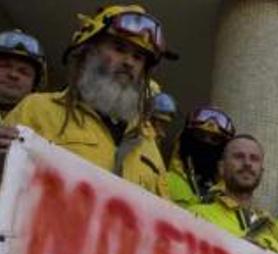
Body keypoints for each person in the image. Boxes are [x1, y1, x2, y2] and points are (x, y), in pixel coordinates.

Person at [1, 5, 175, 197]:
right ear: (89, 52)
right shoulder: (38, 109)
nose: (129, 62)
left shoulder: (147, 143)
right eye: (119, 49)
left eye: (138, 57)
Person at [187, 134, 278, 253]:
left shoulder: (272, 228)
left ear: (261, 172)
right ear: (221, 168)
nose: (247, 163)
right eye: (238, 157)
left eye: (254, 158)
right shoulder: (196, 215)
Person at [167, 106, 235, 206]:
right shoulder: (164, 181)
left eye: (215, 139)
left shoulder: (229, 197)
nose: (206, 143)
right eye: (200, 136)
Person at [0, 29, 45, 118]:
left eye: (24, 72)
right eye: (5, 66)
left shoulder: (41, 122)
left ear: (35, 84)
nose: (13, 75)